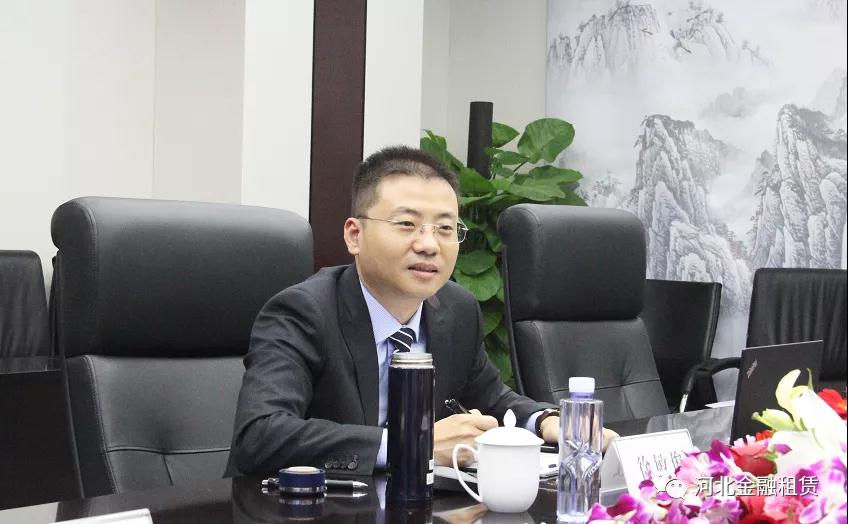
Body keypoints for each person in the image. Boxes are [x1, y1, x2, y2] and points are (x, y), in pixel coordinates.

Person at [231, 146, 607, 477]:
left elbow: (493, 399)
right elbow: (260, 436)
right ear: (354, 235)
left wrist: (545, 421)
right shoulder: (303, 312)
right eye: (407, 224)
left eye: (445, 228)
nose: (429, 245)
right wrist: (410, 443)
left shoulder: (457, 310)